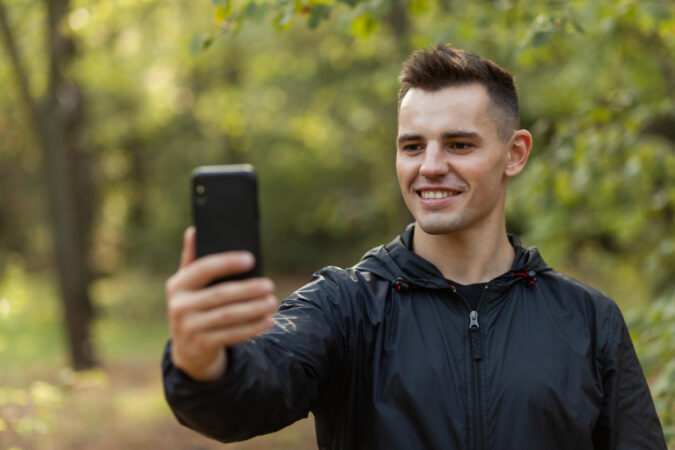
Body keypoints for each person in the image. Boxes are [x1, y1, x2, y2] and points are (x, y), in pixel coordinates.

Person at [162, 45, 666, 449]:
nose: (429, 166)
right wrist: (204, 362)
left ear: (514, 154)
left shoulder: (587, 319)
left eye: (459, 145)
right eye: (412, 146)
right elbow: (247, 398)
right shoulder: (345, 306)